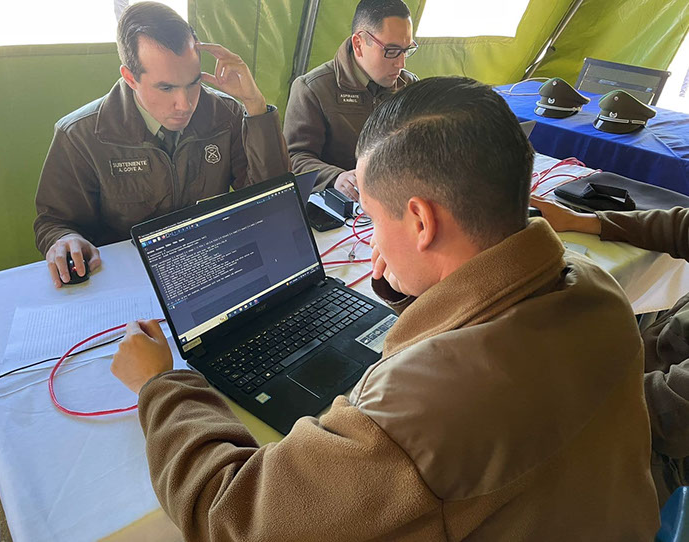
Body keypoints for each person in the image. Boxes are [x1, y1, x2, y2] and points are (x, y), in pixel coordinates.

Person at [111, 77, 659, 540]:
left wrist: (161, 383)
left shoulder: (413, 416)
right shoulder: (598, 291)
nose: (371, 238)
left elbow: (232, 514)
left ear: (421, 222)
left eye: (372, 218)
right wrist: (421, 288)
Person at [34, 1, 289, 288]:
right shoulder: (81, 135)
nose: (185, 104)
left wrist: (255, 105)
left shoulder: (225, 114)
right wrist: (64, 238)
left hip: (209, 269)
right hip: (128, 282)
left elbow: (275, 201)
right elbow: (54, 221)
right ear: (130, 78)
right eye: (166, 88)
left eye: (193, 83)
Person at [532, 196, 689, 506]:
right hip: (641, 383)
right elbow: (681, 226)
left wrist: (569, 384)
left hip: (659, 453)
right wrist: (583, 221)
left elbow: (671, 416)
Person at [283, 0, 418, 201]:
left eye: (406, 50)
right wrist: (336, 177)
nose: (401, 63)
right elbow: (295, 158)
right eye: (391, 51)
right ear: (358, 44)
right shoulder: (313, 89)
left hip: (394, 200)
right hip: (336, 206)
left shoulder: (409, 86)